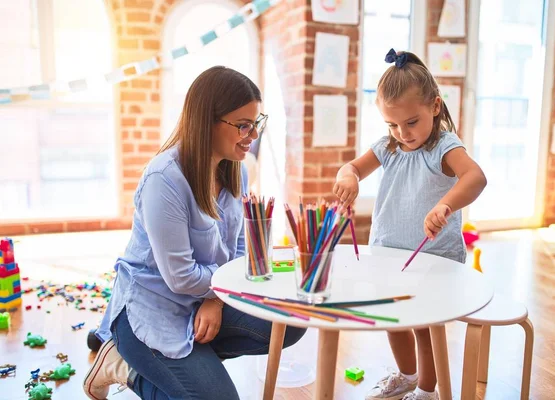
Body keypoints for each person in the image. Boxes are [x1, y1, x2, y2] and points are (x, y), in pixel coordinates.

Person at [83, 66, 306, 400]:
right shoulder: (164, 179)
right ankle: (124, 365)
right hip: (152, 310)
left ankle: (185, 369)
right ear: (207, 121)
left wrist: (216, 299)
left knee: (290, 321)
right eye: (244, 125)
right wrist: (219, 290)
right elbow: (181, 278)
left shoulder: (237, 170)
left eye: (257, 123)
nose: (253, 135)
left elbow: (242, 247)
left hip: (206, 297)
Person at [333, 50, 487, 400]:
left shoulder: (444, 147)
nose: (403, 133)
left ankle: (427, 391)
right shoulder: (388, 146)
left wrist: (446, 204)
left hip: (434, 257)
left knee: (424, 325)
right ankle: (406, 375)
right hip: (388, 253)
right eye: (393, 124)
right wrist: (348, 176)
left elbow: (475, 177)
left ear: (435, 106)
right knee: (393, 319)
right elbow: (353, 168)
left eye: (411, 122)